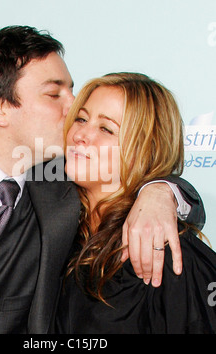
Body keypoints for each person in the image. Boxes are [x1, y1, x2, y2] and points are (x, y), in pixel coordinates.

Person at [0, 27, 204, 334]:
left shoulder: (61, 189)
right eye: (54, 94)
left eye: (72, 93)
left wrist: (160, 192)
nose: (72, 108)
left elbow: (145, 176)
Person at [56, 73, 216, 334]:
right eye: (81, 119)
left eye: (106, 129)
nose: (80, 135)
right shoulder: (59, 229)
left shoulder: (166, 256)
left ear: (146, 148)